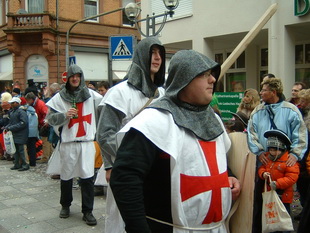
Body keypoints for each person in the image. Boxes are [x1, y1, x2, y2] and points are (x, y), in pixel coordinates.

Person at [110, 50, 241, 233]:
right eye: (204, 74)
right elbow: (125, 179)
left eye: (211, 74)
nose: (212, 80)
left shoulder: (213, 118)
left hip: (216, 228)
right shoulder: (153, 121)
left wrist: (228, 175)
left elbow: (215, 161)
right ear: (183, 79)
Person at [97, 36, 166, 233]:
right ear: (141, 56)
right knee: (124, 222)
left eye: (160, 53)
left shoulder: (162, 94)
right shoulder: (119, 93)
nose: (157, 57)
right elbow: (105, 134)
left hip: (157, 170)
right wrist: (127, 159)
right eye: (152, 52)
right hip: (129, 170)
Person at [247, 77, 308, 233]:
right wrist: (259, 151)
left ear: (273, 92)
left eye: (264, 90)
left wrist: (295, 154)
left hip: (284, 164)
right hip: (264, 163)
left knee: (283, 200)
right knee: (260, 201)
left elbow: (300, 135)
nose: (261, 92)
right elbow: (251, 133)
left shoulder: (291, 110)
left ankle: (282, 229)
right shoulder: (258, 111)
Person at [45, 64, 102, 226]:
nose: (75, 78)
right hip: (68, 144)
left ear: (81, 77)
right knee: (66, 176)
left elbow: (105, 109)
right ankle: (65, 205)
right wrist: (64, 115)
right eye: (72, 76)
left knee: (87, 178)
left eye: (78, 75)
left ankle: (88, 211)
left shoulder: (92, 96)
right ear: (68, 78)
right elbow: (50, 119)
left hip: (86, 143)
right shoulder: (59, 98)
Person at [258, 129, 299, 216]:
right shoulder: (267, 157)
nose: (272, 152)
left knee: (283, 216)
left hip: (283, 195)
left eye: (275, 150)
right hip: (269, 194)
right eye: (271, 150)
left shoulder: (289, 161)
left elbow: (292, 178)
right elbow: (262, 167)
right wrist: (263, 173)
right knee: (271, 216)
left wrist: (277, 183)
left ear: (282, 149)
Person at [295, 88, 310, 220]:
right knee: (301, 185)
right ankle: (304, 208)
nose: (301, 103)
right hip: (302, 155)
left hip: (308, 156)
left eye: (304, 101)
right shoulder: (300, 113)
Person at [25, 92, 50, 163]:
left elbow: (46, 114)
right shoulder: (36, 104)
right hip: (42, 124)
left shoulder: (40, 104)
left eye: (27, 100)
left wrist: (43, 122)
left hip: (44, 125)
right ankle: (49, 156)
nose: (27, 102)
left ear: (31, 99)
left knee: (45, 142)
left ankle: (45, 157)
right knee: (47, 142)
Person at [5, 97, 29, 171]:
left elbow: (23, 123)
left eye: (12, 103)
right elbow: (12, 122)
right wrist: (7, 127)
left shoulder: (21, 112)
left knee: (22, 150)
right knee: (16, 150)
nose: (11, 104)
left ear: (17, 103)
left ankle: (25, 164)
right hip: (16, 134)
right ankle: (17, 164)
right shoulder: (13, 112)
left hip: (21, 134)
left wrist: (11, 127)